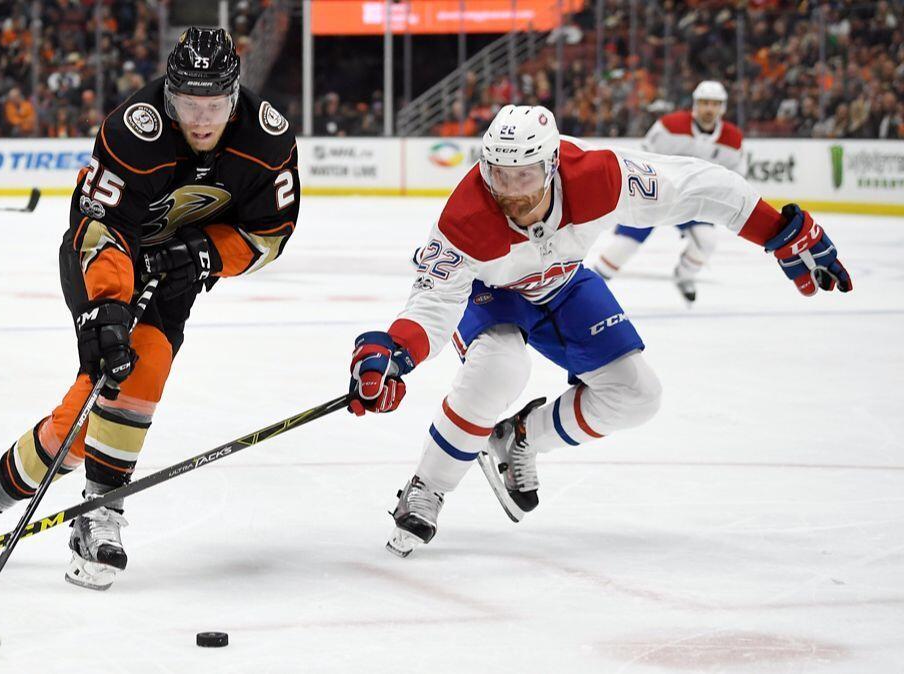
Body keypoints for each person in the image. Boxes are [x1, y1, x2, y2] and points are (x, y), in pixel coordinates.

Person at [346, 104, 852, 558]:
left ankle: (522, 436)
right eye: (498, 176)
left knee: (638, 395)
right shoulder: (466, 219)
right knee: (500, 367)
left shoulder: (600, 177)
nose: (510, 193)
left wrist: (778, 232)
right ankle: (427, 487)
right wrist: (395, 351)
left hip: (564, 283)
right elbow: (433, 304)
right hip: (491, 293)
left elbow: (706, 186)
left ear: (551, 167)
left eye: (524, 178)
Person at [0, 28, 300, 591]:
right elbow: (101, 228)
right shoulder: (135, 128)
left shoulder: (267, 139)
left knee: (108, 396)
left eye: (214, 105)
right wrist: (106, 311)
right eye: (189, 104)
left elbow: (271, 234)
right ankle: (73, 507)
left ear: (235, 97)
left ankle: (45, 504)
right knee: (111, 373)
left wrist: (203, 253)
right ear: (170, 97)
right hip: (104, 255)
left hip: (179, 268)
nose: (201, 119)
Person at [593, 81, 746, 304]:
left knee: (707, 240)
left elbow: (735, 179)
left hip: (693, 203)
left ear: (722, 107)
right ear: (695, 104)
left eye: (714, 104)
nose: (709, 109)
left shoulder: (733, 139)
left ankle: (684, 276)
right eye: (704, 103)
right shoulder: (669, 125)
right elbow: (640, 158)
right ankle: (590, 287)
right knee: (622, 247)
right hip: (653, 195)